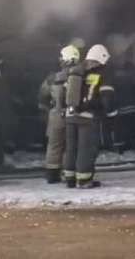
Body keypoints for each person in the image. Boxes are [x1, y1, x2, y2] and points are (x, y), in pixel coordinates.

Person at [62, 44, 114, 188]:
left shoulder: (76, 73)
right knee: (86, 148)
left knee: (71, 148)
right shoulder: (102, 74)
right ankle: (84, 180)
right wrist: (106, 111)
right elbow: (106, 97)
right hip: (88, 117)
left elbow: (63, 94)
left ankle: (69, 178)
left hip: (70, 115)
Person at [38, 45, 83, 183]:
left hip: (55, 114)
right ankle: (69, 172)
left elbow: (42, 95)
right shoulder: (81, 74)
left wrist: (47, 111)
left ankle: (52, 175)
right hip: (75, 114)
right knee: (71, 145)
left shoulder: (52, 77)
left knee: (54, 145)